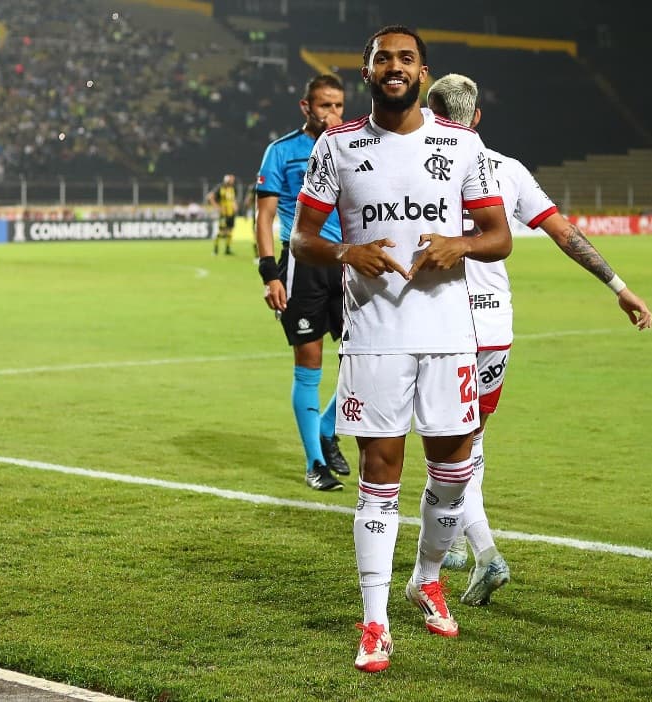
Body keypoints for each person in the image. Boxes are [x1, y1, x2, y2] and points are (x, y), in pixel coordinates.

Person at [291, 25, 515, 673]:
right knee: (379, 478)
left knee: (453, 476)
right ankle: (374, 622)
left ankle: (426, 578)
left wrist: (460, 245)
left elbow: (498, 236)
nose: (395, 66)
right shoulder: (337, 146)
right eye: (382, 58)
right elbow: (302, 237)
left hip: (449, 337)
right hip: (375, 339)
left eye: (406, 59)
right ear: (367, 72)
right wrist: (345, 251)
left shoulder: (462, 144)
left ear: (422, 72)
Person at [426, 73, 652, 607]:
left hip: (446, 324)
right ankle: (455, 542)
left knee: (448, 450)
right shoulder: (508, 169)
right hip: (495, 329)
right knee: (471, 443)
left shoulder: (424, 166)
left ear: (432, 116)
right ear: (477, 116)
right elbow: (565, 234)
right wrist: (619, 287)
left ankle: (484, 553)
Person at [255, 74, 352, 491]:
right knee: (309, 363)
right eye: (325, 105)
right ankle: (315, 462)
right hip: (302, 264)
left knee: (365, 359)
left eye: (339, 105)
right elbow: (263, 217)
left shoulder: (354, 146)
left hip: (348, 262)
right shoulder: (281, 152)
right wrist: (268, 274)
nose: (333, 113)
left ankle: (328, 427)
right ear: (306, 107)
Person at [207, 174, 237, 255]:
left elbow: (233, 199)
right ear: (227, 180)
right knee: (222, 232)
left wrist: (235, 205)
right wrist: (217, 207)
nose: (233, 181)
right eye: (231, 180)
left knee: (230, 231)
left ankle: (227, 249)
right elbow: (210, 197)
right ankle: (215, 249)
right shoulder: (220, 188)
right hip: (223, 214)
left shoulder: (232, 188)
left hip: (231, 213)